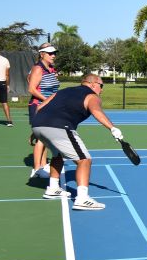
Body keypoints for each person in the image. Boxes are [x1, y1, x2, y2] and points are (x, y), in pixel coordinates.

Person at [31, 73, 122, 210]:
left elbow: (40, 107)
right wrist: (112, 128)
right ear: (92, 84)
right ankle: (82, 199)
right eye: (101, 86)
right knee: (84, 159)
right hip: (60, 126)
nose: (101, 89)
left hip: (38, 124)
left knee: (58, 155)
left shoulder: (63, 91)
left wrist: (36, 130)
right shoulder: (92, 95)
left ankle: (53, 188)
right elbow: (96, 111)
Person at [27, 43, 61, 178]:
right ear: (42, 54)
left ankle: (43, 164)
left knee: (45, 137)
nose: (53, 55)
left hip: (48, 106)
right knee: (42, 138)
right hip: (38, 106)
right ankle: (36, 169)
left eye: (54, 53)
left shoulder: (51, 68)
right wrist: (48, 100)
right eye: (50, 53)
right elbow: (31, 89)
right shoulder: (38, 68)